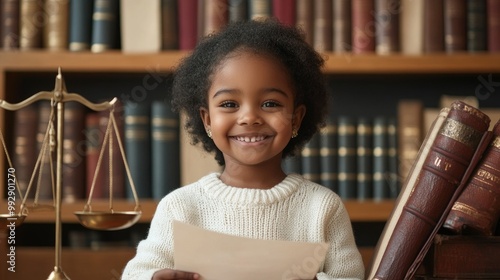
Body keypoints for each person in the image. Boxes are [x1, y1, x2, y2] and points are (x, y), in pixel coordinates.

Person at [122, 19, 364, 280]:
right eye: (229, 104)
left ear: (295, 118)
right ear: (207, 120)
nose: (249, 117)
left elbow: (350, 276)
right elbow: (137, 273)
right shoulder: (180, 207)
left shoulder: (323, 208)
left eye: (270, 103)